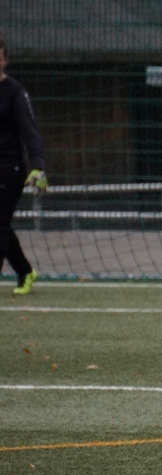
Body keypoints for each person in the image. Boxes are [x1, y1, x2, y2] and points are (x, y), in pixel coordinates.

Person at [0, 37, 44, 295]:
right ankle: (26, 271)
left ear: (5, 60)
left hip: (10, 168)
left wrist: (37, 166)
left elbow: (30, 133)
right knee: (1, 224)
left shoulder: (16, 92)